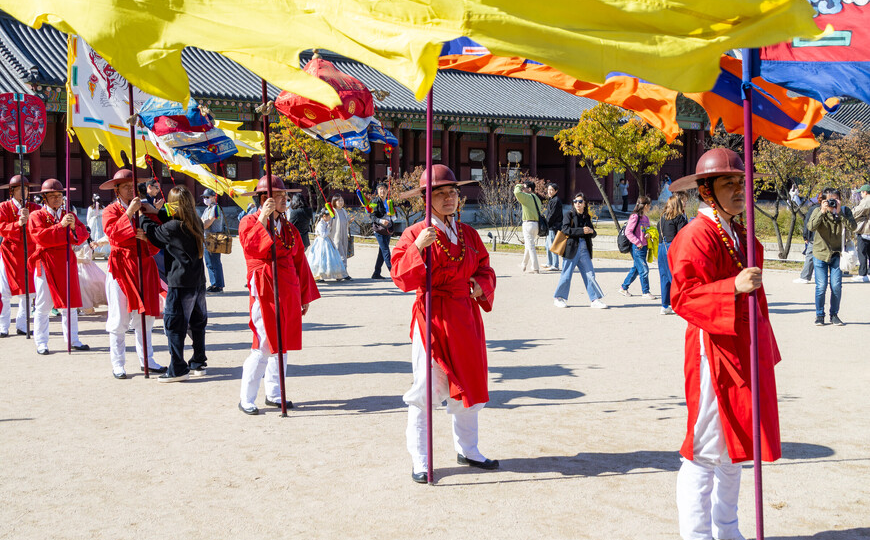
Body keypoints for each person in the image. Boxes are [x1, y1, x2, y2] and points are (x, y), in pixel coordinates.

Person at [667, 148, 782, 540]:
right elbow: (683, 297)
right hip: (712, 349)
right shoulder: (694, 235)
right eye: (728, 183)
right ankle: (697, 535)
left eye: (741, 182)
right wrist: (731, 286)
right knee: (704, 450)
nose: (738, 189)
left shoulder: (735, 231)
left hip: (740, 345)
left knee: (736, 447)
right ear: (706, 190)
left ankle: (727, 529)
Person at [391, 164, 498, 484]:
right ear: (427, 199)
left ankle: (469, 448)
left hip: (464, 315)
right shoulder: (415, 233)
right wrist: (418, 247)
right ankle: (421, 458)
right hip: (433, 315)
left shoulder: (468, 234)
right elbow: (400, 275)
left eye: (454, 192)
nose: (451, 198)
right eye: (441, 194)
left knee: (470, 383)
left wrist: (480, 285)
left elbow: (484, 268)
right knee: (425, 387)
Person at [237, 176, 320, 415]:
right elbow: (252, 248)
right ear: (265, 199)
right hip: (264, 286)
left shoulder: (289, 227)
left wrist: (304, 295)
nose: (286, 200)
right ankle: (246, 397)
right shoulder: (248, 221)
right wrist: (263, 217)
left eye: (286, 195)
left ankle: (274, 393)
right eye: (281, 196)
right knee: (264, 343)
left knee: (282, 345)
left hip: (288, 287)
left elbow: (300, 261)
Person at [100, 169, 166, 378]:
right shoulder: (110, 211)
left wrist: (148, 239)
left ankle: (148, 359)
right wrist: (129, 213)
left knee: (145, 318)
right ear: (116, 189)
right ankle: (118, 363)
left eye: (132, 185)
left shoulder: (145, 209)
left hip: (144, 265)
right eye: (125, 186)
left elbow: (158, 239)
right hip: (121, 266)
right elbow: (113, 236)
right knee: (119, 318)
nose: (130, 189)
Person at [140, 185, 209, 382]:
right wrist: (158, 212)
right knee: (197, 323)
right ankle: (198, 361)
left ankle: (177, 367)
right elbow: (170, 220)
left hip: (180, 282)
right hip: (197, 280)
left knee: (174, 325)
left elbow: (153, 233)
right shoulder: (195, 221)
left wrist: (141, 214)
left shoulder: (173, 227)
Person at [28, 178, 90, 355]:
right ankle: (41, 342)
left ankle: (73, 339)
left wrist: (72, 227)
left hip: (66, 262)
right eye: (52, 196)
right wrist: (60, 227)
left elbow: (83, 234)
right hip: (45, 262)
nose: (57, 199)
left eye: (59, 195)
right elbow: (40, 238)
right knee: (43, 304)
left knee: (69, 304)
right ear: (44, 198)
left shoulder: (68, 214)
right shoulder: (36, 216)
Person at [807, 187, 856, 326]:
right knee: (821, 286)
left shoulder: (845, 211)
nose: (832, 202)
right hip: (820, 253)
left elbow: (853, 227)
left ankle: (834, 315)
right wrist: (822, 211)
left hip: (837, 254)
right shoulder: (818, 211)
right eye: (829, 200)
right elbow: (811, 227)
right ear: (823, 201)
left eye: (835, 199)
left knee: (836, 286)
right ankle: (819, 315)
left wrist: (840, 212)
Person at [0, 175, 40, 338]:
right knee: (4, 291)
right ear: (12, 191)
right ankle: (3, 325)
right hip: (9, 253)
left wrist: (29, 220)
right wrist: (18, 223)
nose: (24, 192)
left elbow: (39, 227)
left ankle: (22, 324)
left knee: (28, 291)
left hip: (28, 252)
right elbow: (2, 228)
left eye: (26, 189)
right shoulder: (3, 207)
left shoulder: (35, 207)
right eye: (20, 189)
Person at [553, 192, 606, 309]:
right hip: (572, 248)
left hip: (584, 249)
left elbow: (593, 232)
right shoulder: (569, 215)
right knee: (566, 275)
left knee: (590, 274)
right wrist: (582, 231)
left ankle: (595, 299)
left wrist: (591, 232)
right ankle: (558, 298)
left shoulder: (587, 216)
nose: (577, 204)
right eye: (575, 201)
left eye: (580, 201)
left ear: (585, 203)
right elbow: (565, 229)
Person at [657, 194, 688, 314]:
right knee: (676, 276)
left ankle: (664, 305)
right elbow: (683, 234)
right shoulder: (679, 218)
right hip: (673, 247)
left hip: (661, 247)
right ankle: (680, 302)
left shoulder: (662, 217)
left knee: (664, 276)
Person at [619, 195, 655, 299]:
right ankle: (645, 292)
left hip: (644, 247)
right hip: (637, 247)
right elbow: (628, 232)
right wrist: (637, 242)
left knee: (636, 269)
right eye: (649, 206)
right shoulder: (635, 217)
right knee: (644, 269)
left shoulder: (646, 218)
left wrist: (649, 234)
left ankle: (623, 288)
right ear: (646, 205)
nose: (650, 207)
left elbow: (647, 230)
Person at [307, 208, 349, 281]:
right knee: (321, 258)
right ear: (324, 216)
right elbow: (323, 234)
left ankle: (333, 274)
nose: (330, 218)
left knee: (329, 258)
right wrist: (328, 229)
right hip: (321, 242)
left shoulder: (324, 223)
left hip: (326, 241)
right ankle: (319, 275)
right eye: (329, 216)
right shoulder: (320, 224)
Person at [513, 180, 542, 273]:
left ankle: (535, 267)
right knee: (528, 246)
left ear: (529, 189)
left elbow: (516, 192)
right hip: (537, 224)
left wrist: (519, 185)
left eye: (524, 187)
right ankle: (524, 264)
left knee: (531, 246)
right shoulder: (537, 198)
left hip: (528, 224)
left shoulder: (527, 197)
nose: (523, 189)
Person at [75, 235, 108, 314]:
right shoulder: (74, 245)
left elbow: (88, 259)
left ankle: (87, 308)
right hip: (76, 267)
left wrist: (76, 259)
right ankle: (77, 306)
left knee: (85, 286)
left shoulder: (86, 246)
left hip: (86, 269)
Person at [201, 188, 226, 293]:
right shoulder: (208, 208)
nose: (205, 199)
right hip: (207, 238)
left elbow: (207, 223)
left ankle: (218, 285)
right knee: (209, 263)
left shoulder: (215, 208)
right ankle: (214, 283)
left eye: (207, 197)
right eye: (204, 197)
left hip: (214, 238)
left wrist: (201, 222)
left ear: (213, 197)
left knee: (214, 262)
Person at [794, 192, 822, 284]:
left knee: (810, 255)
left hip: (815, 237)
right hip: (828, 238)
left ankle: (805, 276)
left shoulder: (813, 209)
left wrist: (805, 236)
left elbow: (807, 223)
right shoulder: (833, 210)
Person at [370, 183, 393, 279]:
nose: (382, 191)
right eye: (380, 189)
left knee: (382, 252)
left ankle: (376, 273)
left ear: (387, 190)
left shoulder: (389, 202)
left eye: (384, 189)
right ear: (377, 191)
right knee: (386, 251)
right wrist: (380, 220)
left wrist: (393, 217)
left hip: (387, 229)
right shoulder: (374, 201)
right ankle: (393, 273)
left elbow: (393, 214)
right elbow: (371, 216)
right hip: (379, 230)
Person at [327, 193, 351, 276]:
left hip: (344, 234)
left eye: (342, 200)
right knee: (340, 254)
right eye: (339, 201)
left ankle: (342, 273)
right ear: (334, 202)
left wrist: (349, 221)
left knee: (344, 252)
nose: (341, 202)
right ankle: (343, 273)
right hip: (336, 236)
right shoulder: (333, 211)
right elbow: (329, 223)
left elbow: (346, 222)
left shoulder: (344, 211)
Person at [850, 184, 870, 282]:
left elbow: (856, 212)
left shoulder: (867, 201)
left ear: (865, 192)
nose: (860, 194)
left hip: (865, 230)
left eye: (861, 192)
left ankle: (863, 274)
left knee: (862, 252)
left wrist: (851, 212)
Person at [542, 182, 563, 271]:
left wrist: (546, 224)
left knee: (553, 245)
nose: (549, 191)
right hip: (550, 226)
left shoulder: (556, 200)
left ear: (556, 191)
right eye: (548, 189)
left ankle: (555, 265)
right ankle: (549, 262)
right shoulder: (552, 199)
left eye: (552, 190)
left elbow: (552, 215)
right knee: (548, 245)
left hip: (553, 227)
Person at [86, 194, 110, 259]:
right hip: (101, 221)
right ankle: (105, 253)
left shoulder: (91, 208)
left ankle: (94, 252)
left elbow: (88, 217)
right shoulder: (103, 207)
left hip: (93, 222)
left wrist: (89, 223)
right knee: (102, 236)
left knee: (93, 236)